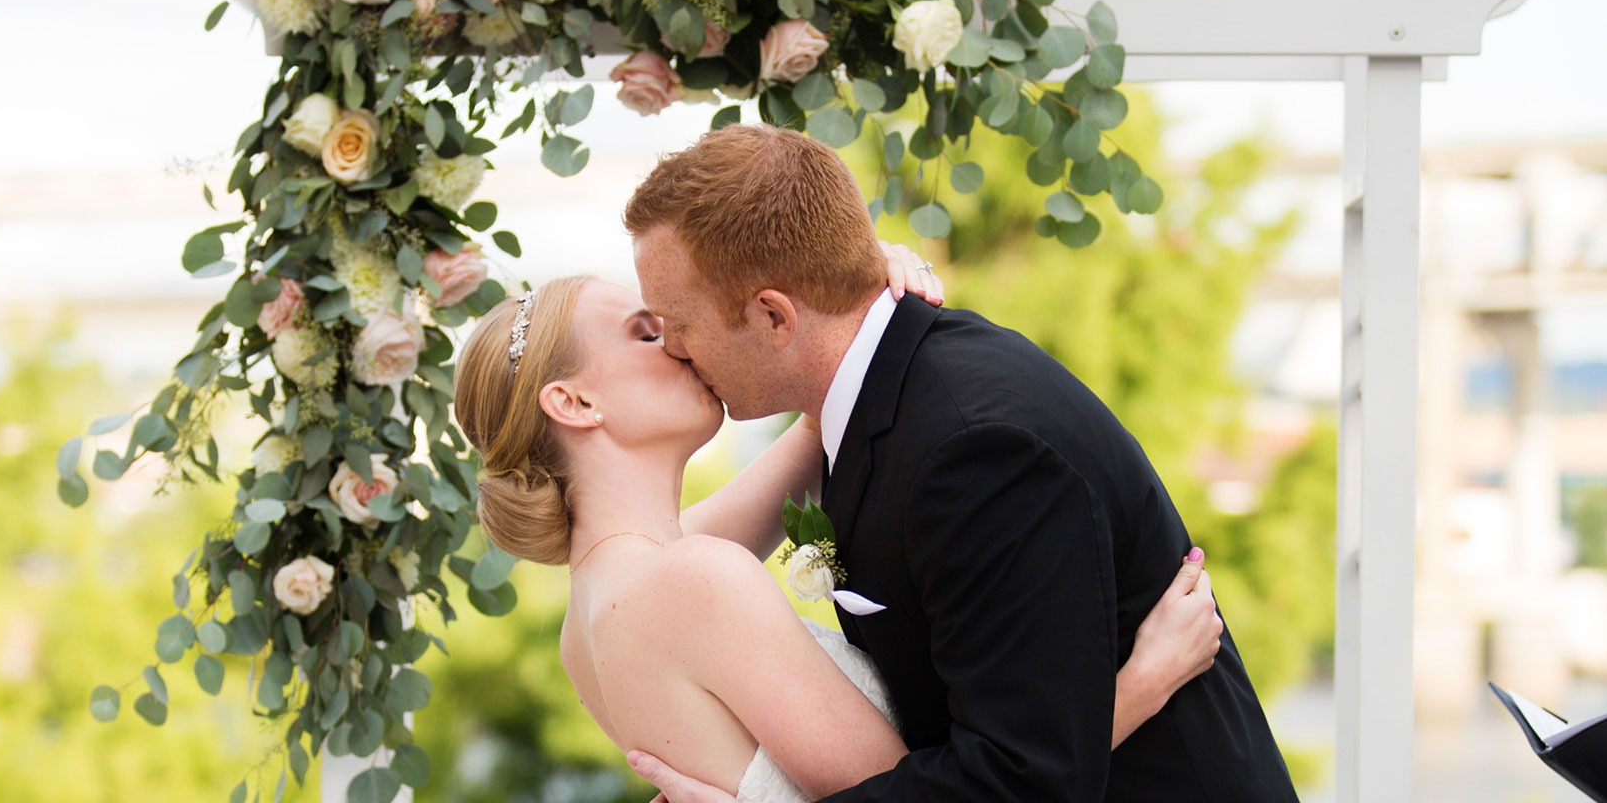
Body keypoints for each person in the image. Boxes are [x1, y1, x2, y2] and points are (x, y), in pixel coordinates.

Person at [618, 124, 1300, 803]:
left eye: (678, 323)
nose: (673, 349)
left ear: (773, 317)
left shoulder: (975, 452)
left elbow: (1019, 780)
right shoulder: (876, 398)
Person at [451, 267, 1224, 802]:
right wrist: (1138, 686)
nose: (683, 342)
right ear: (575, 403)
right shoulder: (689, 582)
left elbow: (825, 416)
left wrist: (852, 300)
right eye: (646, 333)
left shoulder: (598, 613)